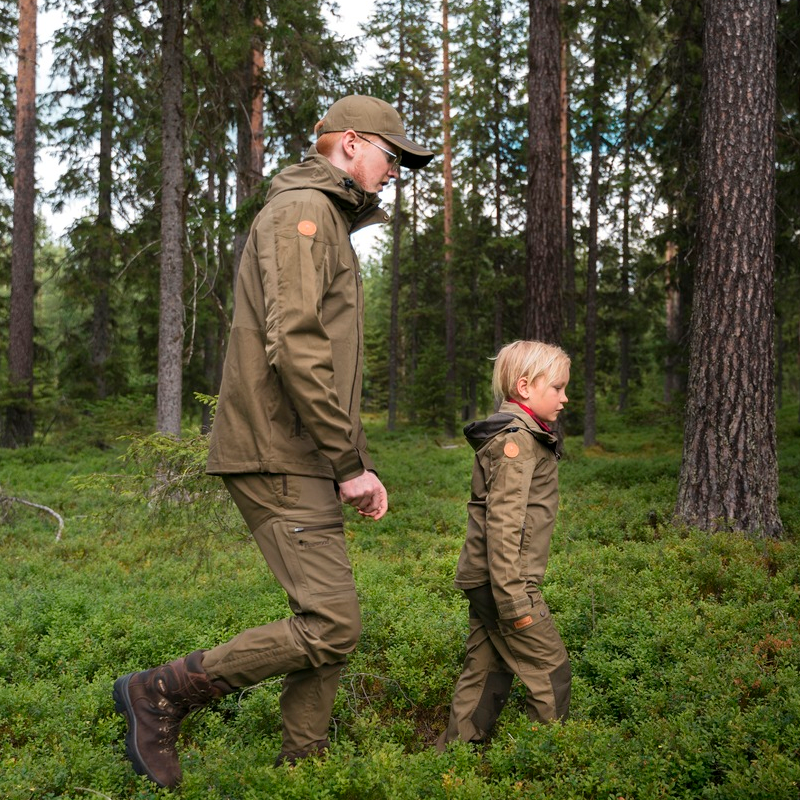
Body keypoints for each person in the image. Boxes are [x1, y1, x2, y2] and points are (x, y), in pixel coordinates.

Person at [112, 95, 434, 789]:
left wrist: (351, 459)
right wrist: (348, 462)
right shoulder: (300, 215)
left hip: (301, 452)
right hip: (278, 451)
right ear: (350, 143)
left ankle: (301, 765)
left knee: (329, 618)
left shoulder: (318, 218)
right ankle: (160, 692)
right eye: (393, 155)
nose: (397, 171)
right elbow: (296, 346)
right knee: (333, 625)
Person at [437, 340, 572, 749]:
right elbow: (503, 524)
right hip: (505, 580)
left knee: (487, 666)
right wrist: (514, 598)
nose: (565, 399)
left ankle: (455, 758)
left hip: (488, 579)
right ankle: (541, 765)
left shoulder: (525, 436)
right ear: (526, 386)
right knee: (551, 669)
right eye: (558, 388)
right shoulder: (516, 443)